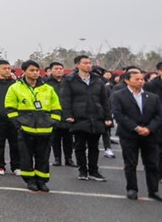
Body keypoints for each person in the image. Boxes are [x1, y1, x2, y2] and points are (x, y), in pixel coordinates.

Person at [5, 60, 62, 192]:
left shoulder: (48, 89)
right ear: (24, 72)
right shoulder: (15, 88)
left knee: (43, 157)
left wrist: (53, 123)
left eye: (37, 70)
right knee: (26, 157)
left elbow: (56, 108)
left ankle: (42, 180)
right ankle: (30, 180)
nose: (35, 73)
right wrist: (18, 125)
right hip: (26, 129)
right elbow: (10, 108)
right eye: (31, 70)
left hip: (45, 130)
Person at [110, 67, 161, 201]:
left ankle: (154, 190)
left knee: (152, 163)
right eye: (137, 79)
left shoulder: (152, 97)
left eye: (142, 79)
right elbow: (118, 114)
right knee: (131, 163)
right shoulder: (118, 95)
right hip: (129, 134)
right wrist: (136, 128)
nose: (140, 81)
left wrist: (149, 128)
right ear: (127, 81)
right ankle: (132, 189)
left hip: (150, 135)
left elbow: (158, 115)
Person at [59, 55, 112, 182]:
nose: (88, 65)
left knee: (94, 146)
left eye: (89, 63)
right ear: (78, 65)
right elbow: (65, 99)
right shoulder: (69, 80)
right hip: (79, 117)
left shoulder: (97, 80)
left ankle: (94, 171)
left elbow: (105, 101)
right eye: (85, 63)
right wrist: (68, 115)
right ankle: (82, 170)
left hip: (96, 117)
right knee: (80, 145)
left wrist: (107, 117)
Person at [44, 62, 74, 167]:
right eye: (56, 69)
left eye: (60, 69)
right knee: (55, 139)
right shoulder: (46, 83)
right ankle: (57, 158)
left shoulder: (68, 82)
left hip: (67, 114)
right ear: (50, 70)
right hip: (53, 114)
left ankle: (69, 159)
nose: (59, 70)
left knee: (68, 139)